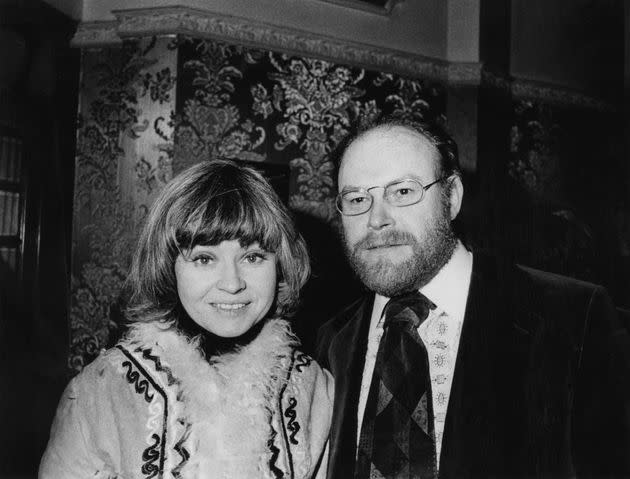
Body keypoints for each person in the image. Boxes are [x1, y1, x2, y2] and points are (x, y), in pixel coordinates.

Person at [316, 116, 630, 479]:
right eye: (356, 198)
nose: (376, 219)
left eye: (402, 191)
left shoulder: (573, 318)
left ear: (452, 198)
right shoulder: (330, 342)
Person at [40, 159, 333, 478]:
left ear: (280, 264)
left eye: (252, 257)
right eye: (205, 258)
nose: (233, 283)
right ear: (169, 267)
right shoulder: (98, 393)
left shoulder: (316, 389)